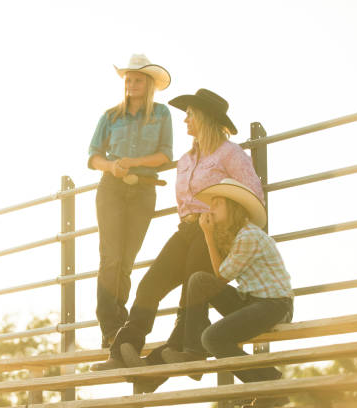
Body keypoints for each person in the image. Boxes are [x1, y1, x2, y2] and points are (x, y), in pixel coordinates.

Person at [92, 89, 264, 386]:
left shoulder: (230, 154)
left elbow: (253, 195)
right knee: (150, 285)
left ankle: (183, 351)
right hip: (185, 228)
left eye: (190, 114)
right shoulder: (186, 159)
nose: (185, 120)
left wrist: (223, 225)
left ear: (204, 119)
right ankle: (124, 348)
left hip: (214, 230)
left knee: (191, 290)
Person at [160, 178, 294, 408]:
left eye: (217, 204)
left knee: (212, 338)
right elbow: (217, 275)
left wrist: (208, 235)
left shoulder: (248, 236)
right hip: (252, 301)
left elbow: (222, 275)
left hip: (275, 305)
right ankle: (193, 350)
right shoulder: (238, 237)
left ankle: (271, 382)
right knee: (198, 281)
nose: (210, 209)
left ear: (232, 207)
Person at [88, 54, 173, 349]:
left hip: (144, 189)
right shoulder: (110, 116)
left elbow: (165, 155)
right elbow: (94, 156)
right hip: (111, 187)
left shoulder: (161, 114)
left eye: (137, 80)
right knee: (110, 257)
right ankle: (110, 325)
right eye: (128, 80)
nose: (132, 84)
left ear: (148, 83)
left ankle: (118, 323)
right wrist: (112, 167)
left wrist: (133, 161)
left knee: (126, 261)